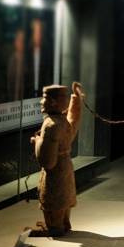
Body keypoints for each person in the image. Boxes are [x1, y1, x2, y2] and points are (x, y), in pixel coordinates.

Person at [30, 82, 84, 237]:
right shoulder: (63, 121)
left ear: (53, 102)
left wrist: (36, 141)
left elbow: (47, 161)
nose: (41, 102)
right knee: (64, 197)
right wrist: (76, 98)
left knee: (53, 199)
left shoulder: (50, 125)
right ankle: (64, 223)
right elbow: (74, 119)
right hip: (65, 166)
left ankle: (55, 227)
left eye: (44, 98)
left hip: (55, 171)